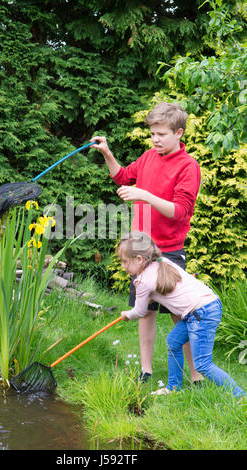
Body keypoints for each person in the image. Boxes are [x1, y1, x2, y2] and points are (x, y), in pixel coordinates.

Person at [91, 101, 203, 384]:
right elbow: (122, 176)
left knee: (179, 314)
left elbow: (181, 211)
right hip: (141, 251)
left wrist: (145, 196)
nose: (155, 140)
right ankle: (146, 370)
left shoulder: (188, 167)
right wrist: (107, 153)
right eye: (152, 133)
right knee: (146, 312)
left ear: (179, 133)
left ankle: (195, 375)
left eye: (162, 134)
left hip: (168, 252)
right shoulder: (149, 157)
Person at [117, 231, 245, 398]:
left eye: (124, 262)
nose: (122, 266)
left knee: (203, 364)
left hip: (200, 313)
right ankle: (173, 387)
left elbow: (139, 312)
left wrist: (127, 315)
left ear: (139, 259)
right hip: (208, 305)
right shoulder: (163, 262)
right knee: (174, 342)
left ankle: (240, 396)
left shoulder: (142, 281)